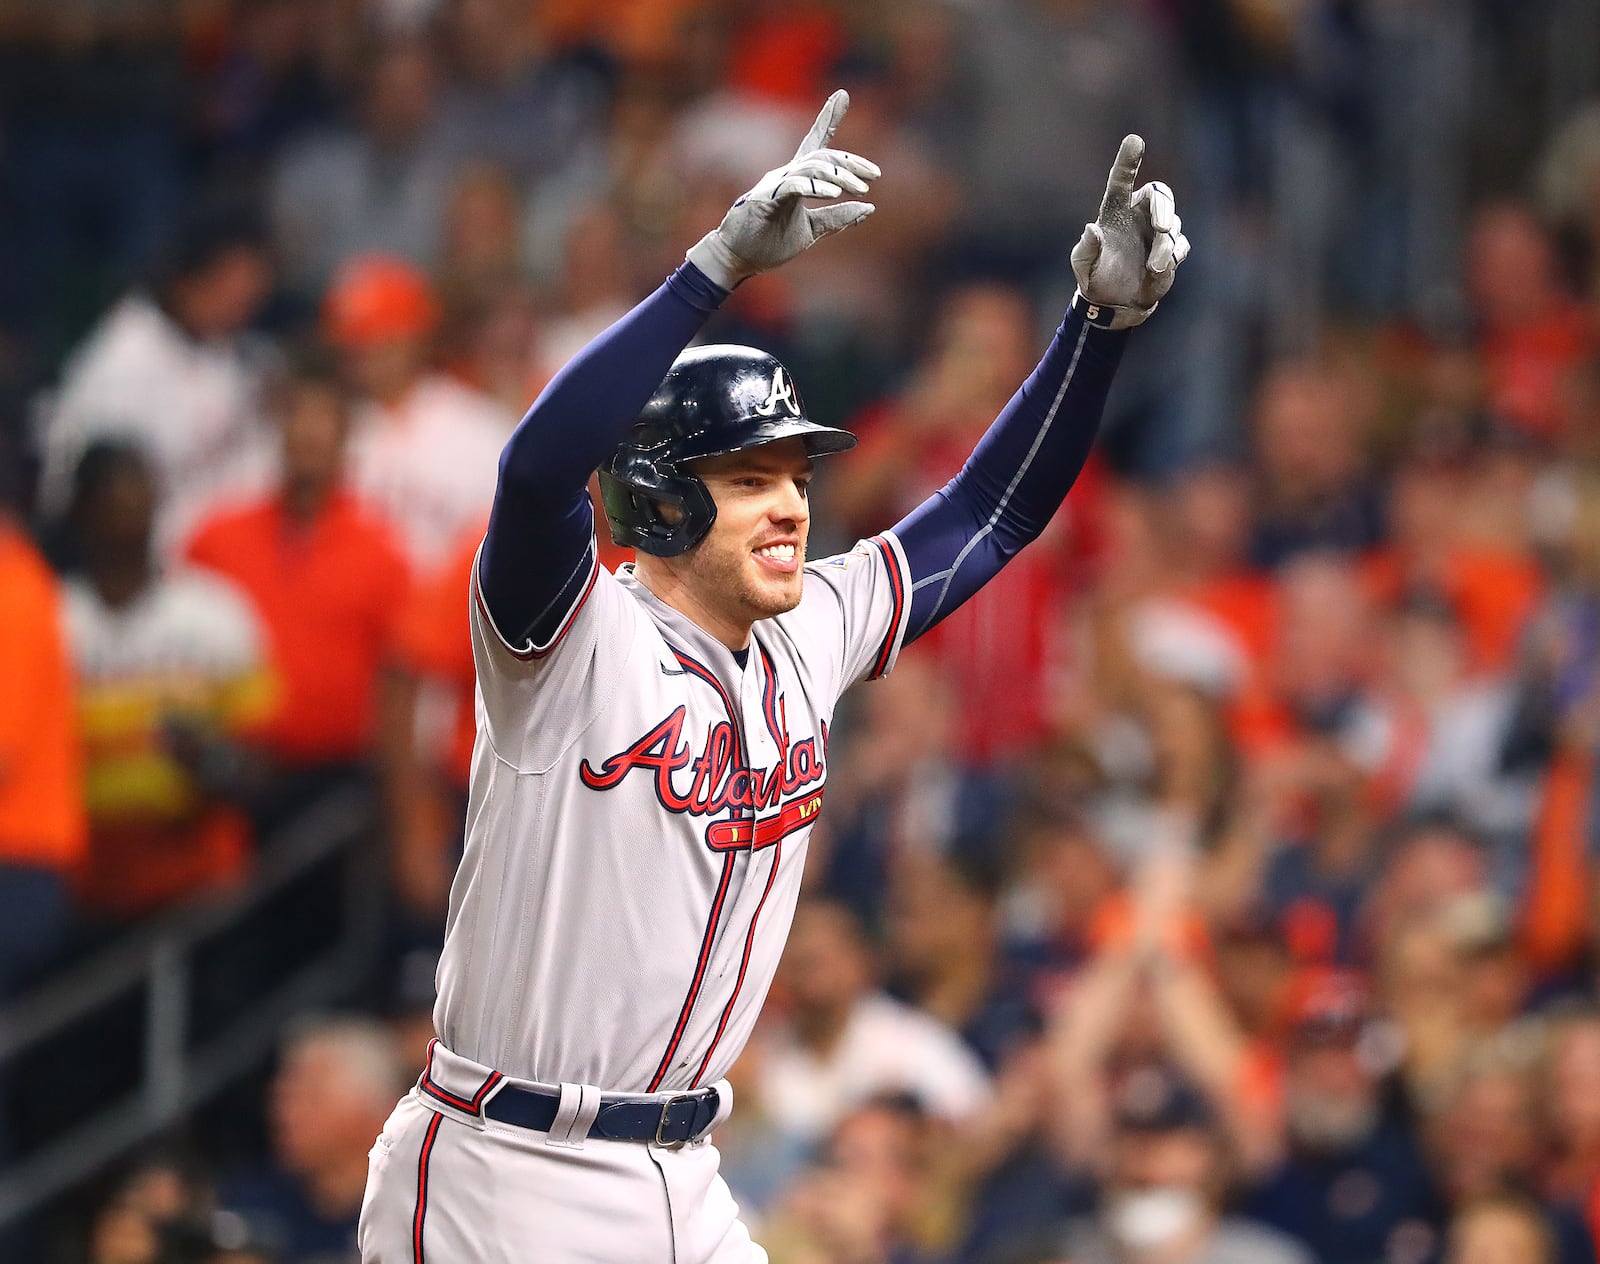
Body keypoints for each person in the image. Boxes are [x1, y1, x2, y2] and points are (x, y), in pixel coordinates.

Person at [356, 89, 1188, 1262]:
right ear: (656, 495)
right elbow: (536, 470)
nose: (792, 502)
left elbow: (986, 520)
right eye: (748, 476)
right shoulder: (566, 642)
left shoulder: (812, 632)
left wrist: (1096, 329)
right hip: (506, 1167)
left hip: (684, 1176)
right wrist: (710, 271)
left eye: (796, 473)